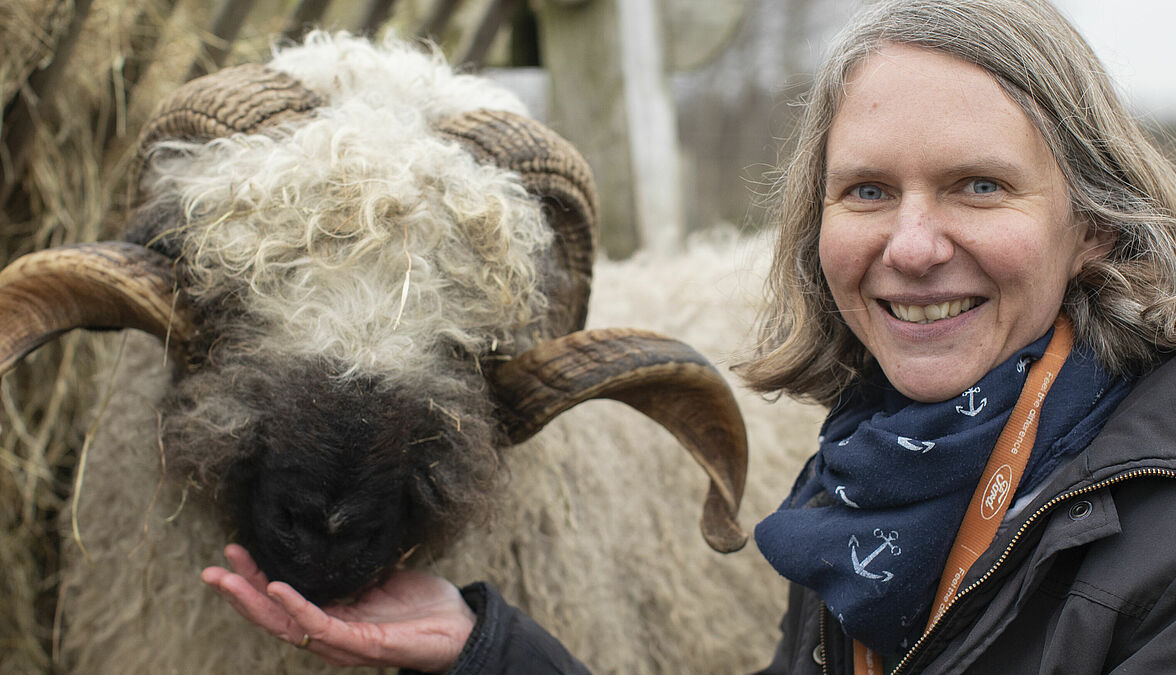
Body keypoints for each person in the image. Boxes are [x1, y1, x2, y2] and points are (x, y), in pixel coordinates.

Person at [201, 0, 1176, 672]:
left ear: (1093, 223)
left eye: (979, 186)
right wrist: (480, 647)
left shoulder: (1153, 534)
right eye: (869, 191)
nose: (912, 248)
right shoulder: (869, 474)